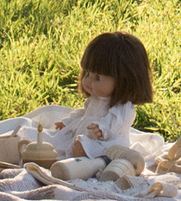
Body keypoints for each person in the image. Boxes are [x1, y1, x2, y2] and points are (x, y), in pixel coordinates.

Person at [45, 32, 155, 164]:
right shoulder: (96, 100)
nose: (88, 82)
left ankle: (89, 160)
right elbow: (84, 113)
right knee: (59, 141)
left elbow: (117, 124)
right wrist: (68, 122)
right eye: (87, 74)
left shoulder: (123, 107)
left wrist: (102, 129)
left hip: (108, 140)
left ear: (123, 80)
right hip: (86, 134)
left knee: (97, 149)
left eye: (97, 78)